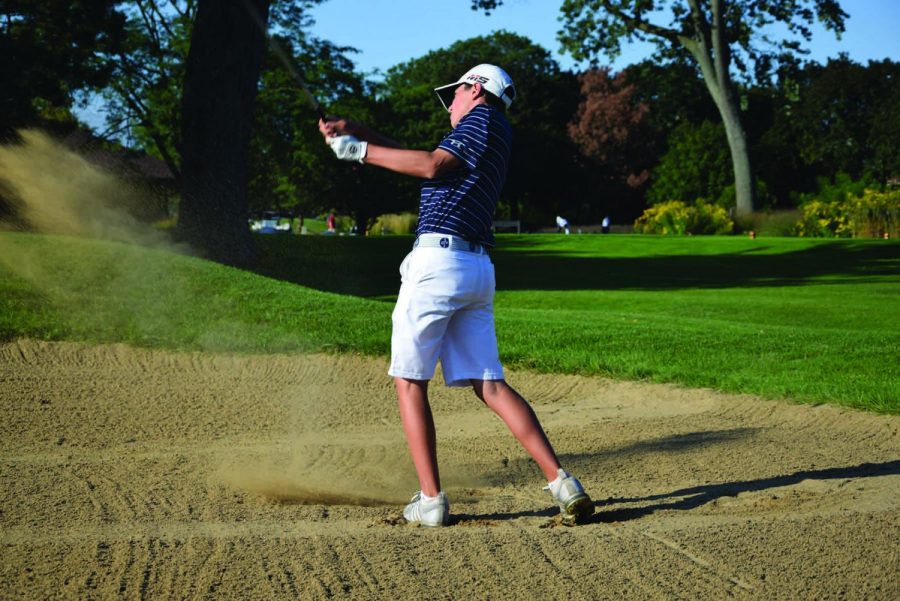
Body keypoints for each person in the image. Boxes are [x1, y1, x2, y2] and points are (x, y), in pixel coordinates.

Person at [319, 64, 593, 527]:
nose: (451, 105)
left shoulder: (480, 121)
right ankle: (563, 484)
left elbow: (430, 164)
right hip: (475, 267)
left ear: (475, 90)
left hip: (438, 266)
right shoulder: (495, 128)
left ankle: (430, 501)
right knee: (489, 383)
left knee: (409, 380)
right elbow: (426, 157)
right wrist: (359, 132)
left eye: (456, 94)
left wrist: (360, 151)